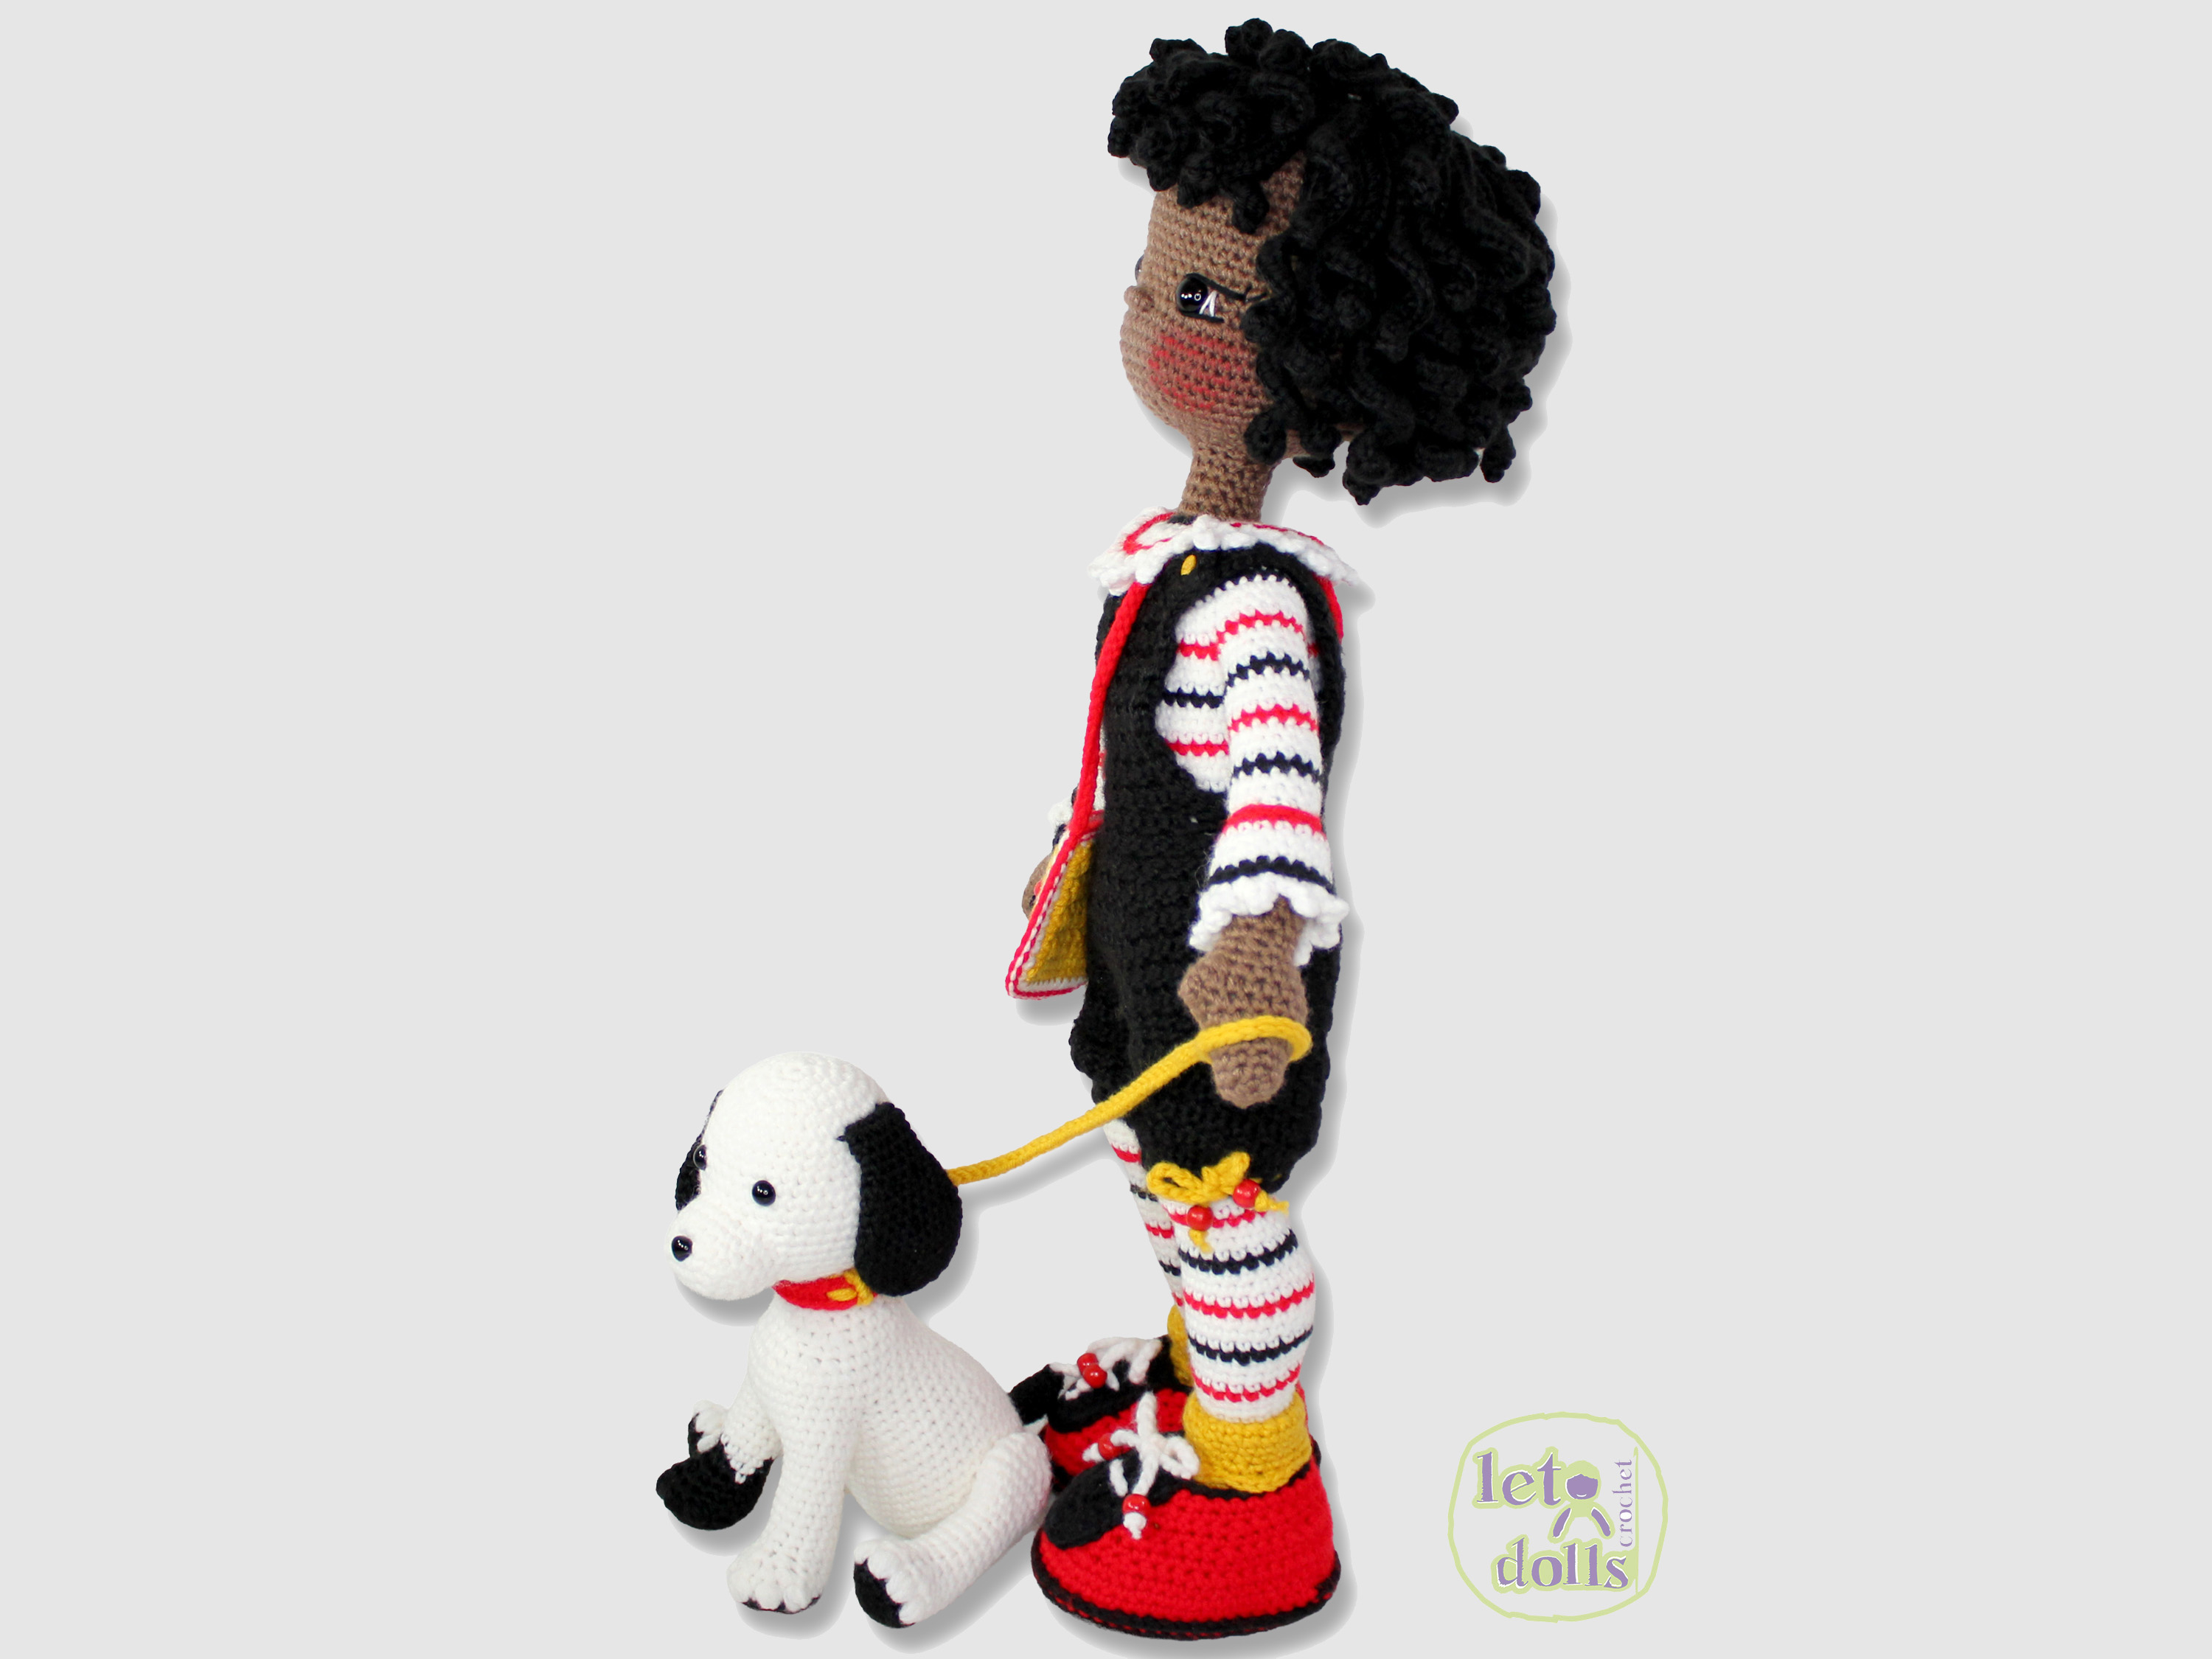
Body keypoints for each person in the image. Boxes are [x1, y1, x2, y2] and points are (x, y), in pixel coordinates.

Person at [1006, 20, 1556, 1638]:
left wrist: (1255, 949)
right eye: (1152, 277)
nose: (1146, 316)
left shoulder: (1252, 598)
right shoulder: (1175, 557)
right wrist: (1075, 858)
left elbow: (1271, 792)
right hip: (1146, 964)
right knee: (1154, 1166)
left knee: (1224, 1201)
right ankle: (1197, 1379)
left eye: (1200, 299)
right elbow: (1138, 757)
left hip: (1222, 984)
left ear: (1313, 350)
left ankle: (1256, 1487)